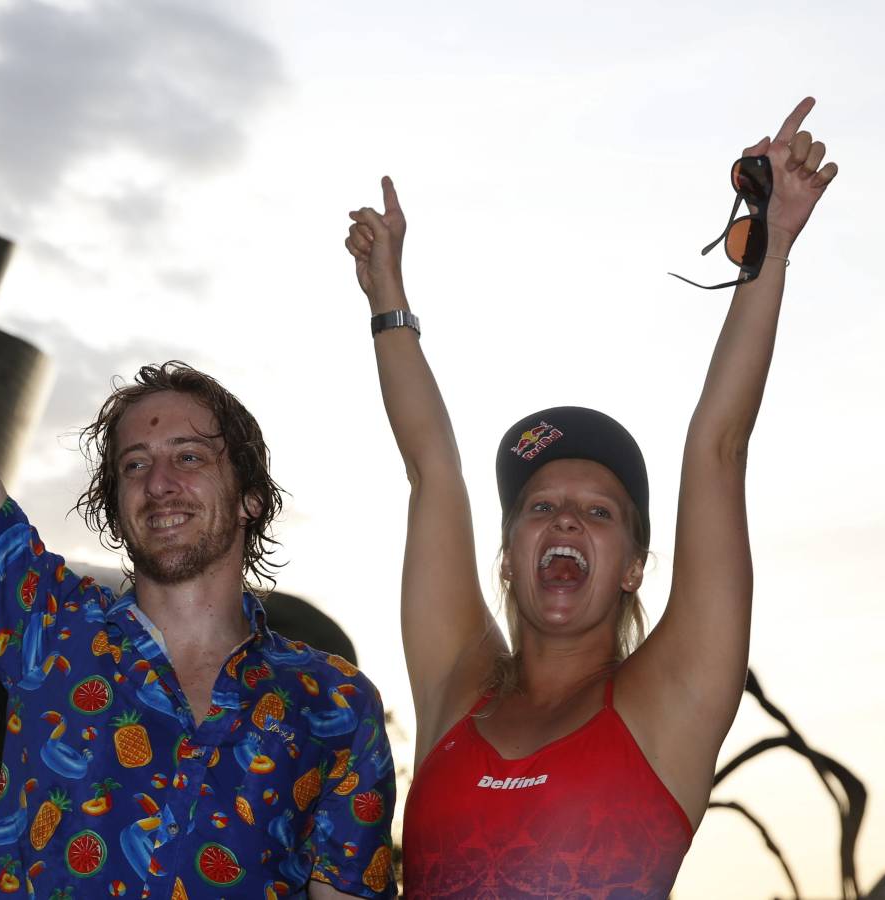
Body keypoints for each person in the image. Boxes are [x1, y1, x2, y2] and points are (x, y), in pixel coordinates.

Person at [0, 108, 396, 898]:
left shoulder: (332, 704)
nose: (160, 481)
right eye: (135, 465)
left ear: (251, 496)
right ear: (116, 505)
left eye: (191, 457)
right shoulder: (50, 631)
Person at [343, 97, 838, 896]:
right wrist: (387, 301)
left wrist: (770, 242)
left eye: (598, 512)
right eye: (540, 508)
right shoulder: (453, 692)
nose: (566, 517)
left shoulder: (668, 700)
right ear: (508, 558)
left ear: (635, 567)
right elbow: (433, 469)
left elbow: (719, 451)